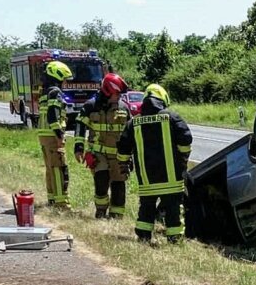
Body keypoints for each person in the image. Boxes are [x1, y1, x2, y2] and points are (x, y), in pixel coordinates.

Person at [117, 84, 193, 243]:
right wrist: (183, 159)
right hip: (171, 179)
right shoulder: (171, 117)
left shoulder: (134, 123)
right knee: (173, 210)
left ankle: (144, 237)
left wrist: (124, 165)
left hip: (147, 181)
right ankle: (175, 238)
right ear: (163, 100)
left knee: (146, 209)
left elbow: (123, 147)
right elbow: (186, 139)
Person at [75, 73, 130, 219]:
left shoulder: (124, 108)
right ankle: (100, 211)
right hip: (98, 154)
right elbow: (80, 125)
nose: (119, 97)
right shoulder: (91, 106)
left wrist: (132, 156)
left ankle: (116, 215)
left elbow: (131, 132)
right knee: (101, 180)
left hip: (118, 155)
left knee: (119, 184)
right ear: (107, 91)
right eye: (117, 93)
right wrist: (78, 148)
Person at [37, 61, 74, 208]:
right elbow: (53, 115)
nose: (65, 83)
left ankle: (52, 199)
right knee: (59, 168)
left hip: (44, 135)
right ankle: (61, 203)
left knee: (50, 168)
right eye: (64, 79)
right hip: (53, 135)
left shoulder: (45, 92)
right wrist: (59, 135)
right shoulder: (55, 92)